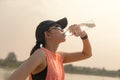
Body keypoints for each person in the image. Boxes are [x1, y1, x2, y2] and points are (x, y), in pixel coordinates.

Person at [8, 17, 92, 80]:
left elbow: (87, 54)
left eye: (62, 28)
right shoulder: (40, 54)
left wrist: (83, 36)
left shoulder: (60, 57)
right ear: (48, 35)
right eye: (58, 27)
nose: (62, 30)